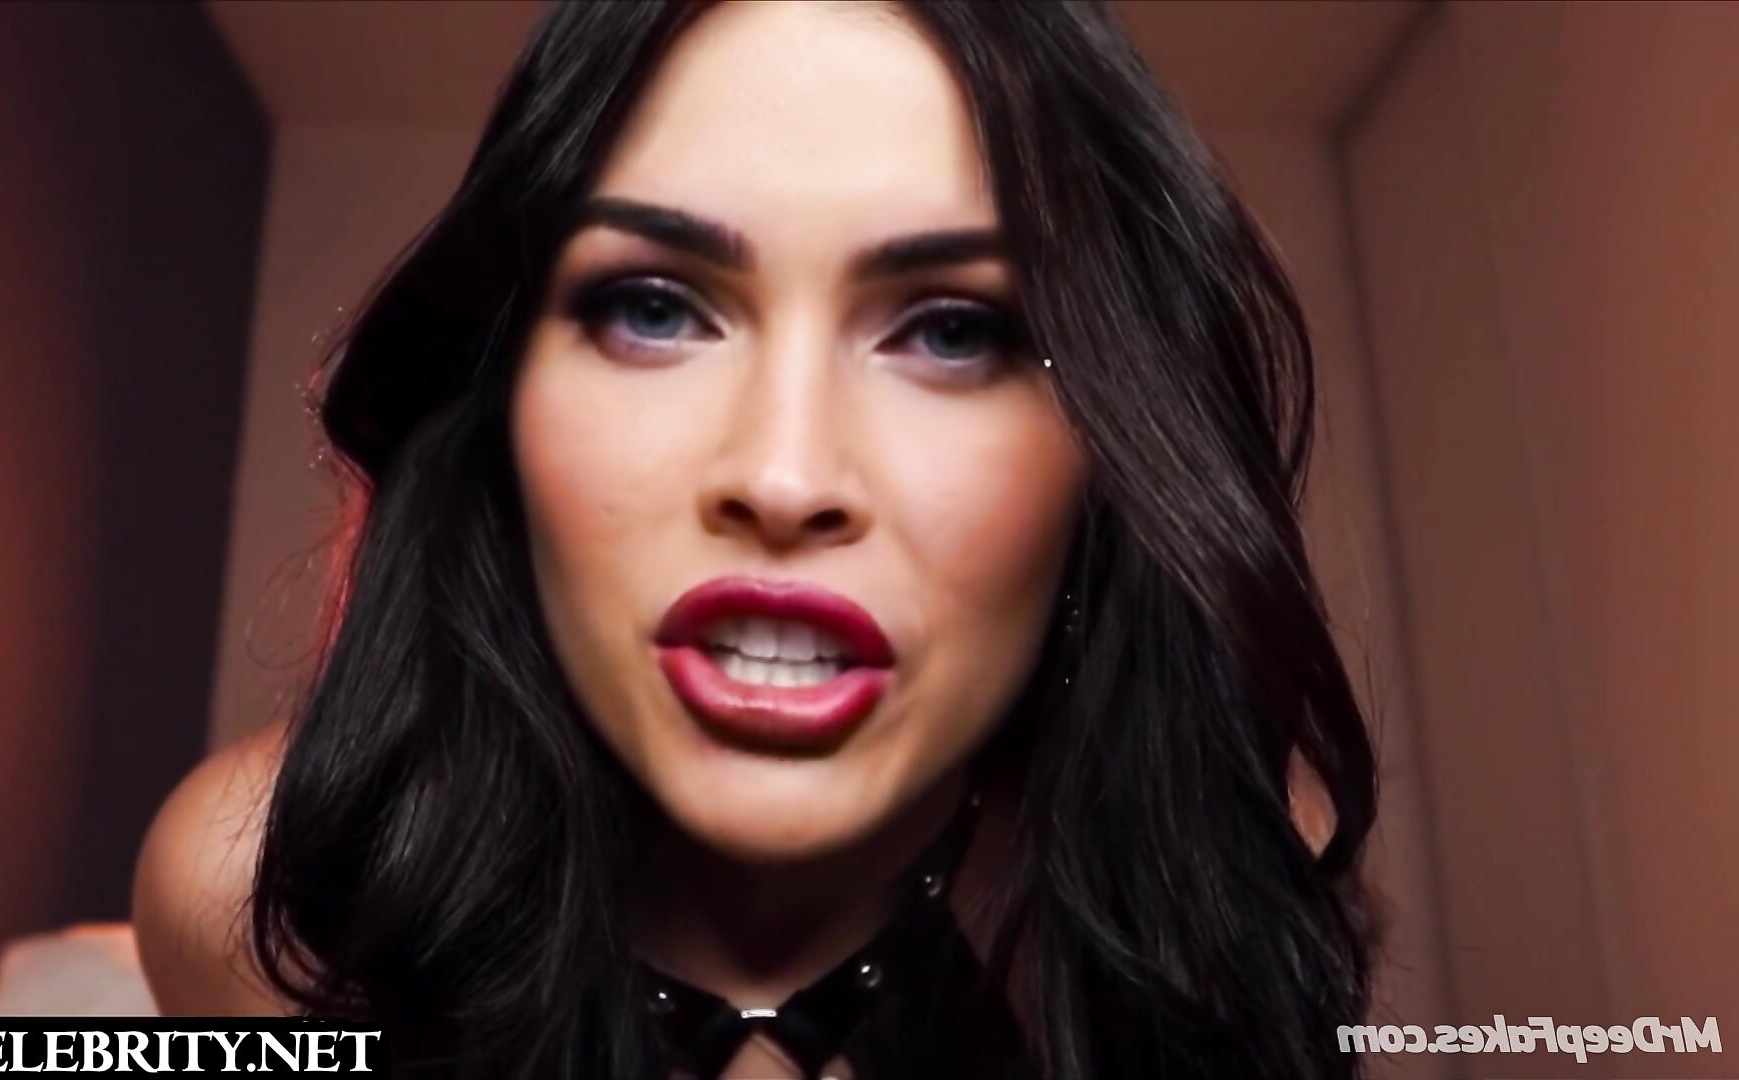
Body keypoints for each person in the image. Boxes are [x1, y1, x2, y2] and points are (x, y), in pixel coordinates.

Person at [134, 2, 1378, 1077]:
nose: (785, 479)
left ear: (1107, 446)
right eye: (653, 309)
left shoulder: (1210, 898)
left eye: (951, 331)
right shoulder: (253, 896)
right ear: (499, 393)